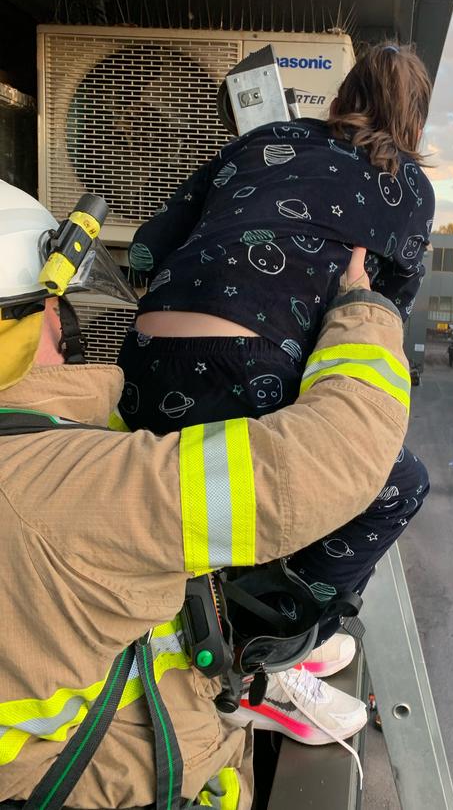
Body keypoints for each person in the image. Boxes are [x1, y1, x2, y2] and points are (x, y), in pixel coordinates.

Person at [0, 180, 410, 809]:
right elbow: (327, 461)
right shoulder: (51, 485)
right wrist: (363, 309)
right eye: (54, 305)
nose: (68, 321)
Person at [116, 43, 433, 697]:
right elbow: (379, 321)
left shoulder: (263, 139)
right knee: (394, 484)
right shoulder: (406, 185)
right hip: (248, 371)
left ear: (343, 95)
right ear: (413, 120)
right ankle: (264, 642)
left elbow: (147, 245)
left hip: (141, 362)